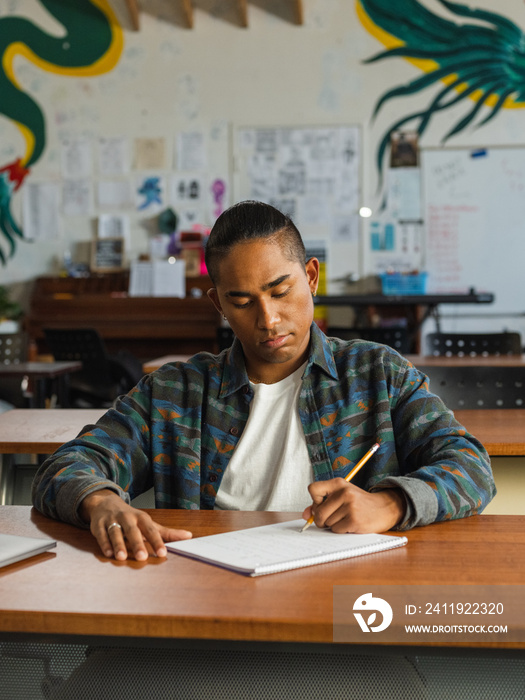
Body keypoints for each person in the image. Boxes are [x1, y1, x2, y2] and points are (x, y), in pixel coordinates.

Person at [32, 200, 495, 562]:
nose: (269, 319)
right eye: (242, 301)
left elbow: (471, 466)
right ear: (218, 304)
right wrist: (101, 503)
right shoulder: (175, 392)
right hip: (206, 598)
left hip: (347, 597)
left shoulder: (377, 375)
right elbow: (68, 465)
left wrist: (391, 504)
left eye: (280, 291)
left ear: (310, 277)